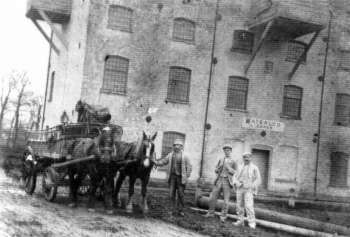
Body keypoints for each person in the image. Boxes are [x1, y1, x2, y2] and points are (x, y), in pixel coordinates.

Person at [153, 139, 192, 216]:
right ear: (173, 146)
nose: (176, 147)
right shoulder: (170, 155)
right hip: (172, 178)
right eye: (175, 145)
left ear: (181, 147)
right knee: (171, 195)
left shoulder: (185, 156)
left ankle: (181, 210)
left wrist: (186, 177)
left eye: (178, 145)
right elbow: (164, 161)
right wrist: (156, 163)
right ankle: (172, 210)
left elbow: (189, 167)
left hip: (181, 178)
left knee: (181, 194)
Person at [204, 144, 237, 222]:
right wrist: (217, 169)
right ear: (224, 151)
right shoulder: (221, 159)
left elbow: (236, 172)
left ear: (231, 151)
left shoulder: (233, 161)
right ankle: (210, 213)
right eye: (225, 150)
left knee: (226, 200)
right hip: (219, 180)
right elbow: (216, 169)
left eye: (228, 150)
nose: (227, 152)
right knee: (213, 197)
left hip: (227, 181)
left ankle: (223, 216)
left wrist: (229, 169)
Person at [233, 151, 261, 229]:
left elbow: (258, 179)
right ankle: (240, 221)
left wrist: (252, 186)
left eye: (248, 157)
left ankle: (252, 223)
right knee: (239, 205)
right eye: (245, 157)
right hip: (240, 188)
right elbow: (234, 177)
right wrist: (237, 183)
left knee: (249, 206)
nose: (246, 159)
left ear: (251, 158)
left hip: (249, 189)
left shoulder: (254, 168)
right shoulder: (239, 167)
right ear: (243, 158)